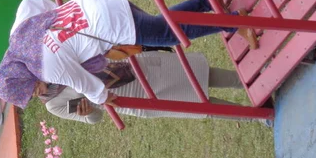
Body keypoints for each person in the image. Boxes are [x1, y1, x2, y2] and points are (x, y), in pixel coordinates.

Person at [0, 0, 258, 109]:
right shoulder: (18, 37)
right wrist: (57, 16)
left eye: (30, 92)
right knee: (160, 26)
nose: (38, 92)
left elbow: (84, 82)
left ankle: (235, 23)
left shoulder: (45, 67)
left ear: (23, 80)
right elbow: (29, 4)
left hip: (108, 25)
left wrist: (102, 98)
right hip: (93, 3)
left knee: (168, 36)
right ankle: (205, 1)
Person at [41, 51, 246, 123]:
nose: (36, 92)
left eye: (31, 87)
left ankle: (254, 82)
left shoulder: (55, 58)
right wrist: (90, 112)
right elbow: (95, 119)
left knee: (203, 75)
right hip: (137, 100)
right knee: (200, 107)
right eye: (31, 95)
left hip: (137, 68)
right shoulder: (53, 104)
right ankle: (256, 115)